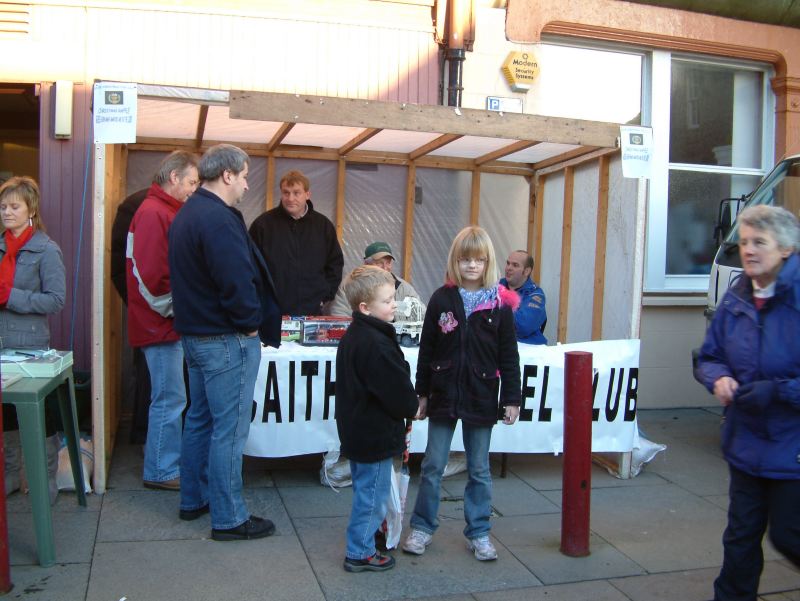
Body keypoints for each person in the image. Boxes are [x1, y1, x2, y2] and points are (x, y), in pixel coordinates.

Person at [168, 144, 281, 541]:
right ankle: (230, 517)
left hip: (198, 337)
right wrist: (250, 324)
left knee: (200, 420)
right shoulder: (217, 218)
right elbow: (235, 278)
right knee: (229, 430)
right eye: (246, 175)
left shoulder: (190, 213)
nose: (248, 184)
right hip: (224, 339)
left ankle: (193, 499)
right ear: (228, 175)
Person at [694, 205, 800, 601]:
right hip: (745, 443)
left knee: (789, 535)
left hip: (792, 447)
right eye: (744, 242)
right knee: (740, 539)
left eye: (760, 242)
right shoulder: (738, 293)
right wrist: (717, 377)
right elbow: (709, 355)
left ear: (787, 249)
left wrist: (778, 391)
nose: (748, 250)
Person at [403, 226, 521, 561]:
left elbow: (509, 356)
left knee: (479, 468)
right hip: (442, 395)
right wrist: (421, 393)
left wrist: (512, 398)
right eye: (465, 259)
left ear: (488, 263)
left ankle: (480, 532)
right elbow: (427, 350)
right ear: (456, 260)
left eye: (478, 260)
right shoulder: (441, 298)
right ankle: (422, 527)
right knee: (432, 465)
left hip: (482, 396)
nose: (471, 265)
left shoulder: (500, 306)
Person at [335, 265, 420, 573]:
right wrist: (412, 407)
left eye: (392, 298)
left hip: (360, 431)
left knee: (367, 490)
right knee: (373, 496)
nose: (394, 304)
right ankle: (360, 551)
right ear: (365, 307)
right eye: (387, 301)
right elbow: (395, 392)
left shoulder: (359, 335)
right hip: (373, 434)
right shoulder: (375, 343)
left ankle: (365, 542)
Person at [126, 151, 199, 491]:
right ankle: (161, 470)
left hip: (161, 322)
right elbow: (154, 278)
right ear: (174, 178)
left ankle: (162, 460)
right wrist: (182, 310)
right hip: (162, 324)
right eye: (191, 182)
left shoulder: (159, 210)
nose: (192, 190)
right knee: (170, 398)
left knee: (169, 397)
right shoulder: (155, 212)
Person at [0, 176, 66, 503]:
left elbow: (55, 300)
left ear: (31, 209)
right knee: (6, 414)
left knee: (41, 415)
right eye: (3, 206)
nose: (6, 212)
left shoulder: (46, 249)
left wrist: (11, 296)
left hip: (30, 347)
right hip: (1, 344)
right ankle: (12, 473)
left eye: (14, 206)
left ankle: (45, 479)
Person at [249, 169, 343, 315]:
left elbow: (335, 264)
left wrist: (326, 295)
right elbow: (250, 265)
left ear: (307, 194)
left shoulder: (323, 226)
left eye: (296, 192)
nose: (290, 198)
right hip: (272, 311)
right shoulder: (263, 225)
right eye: (286, 192)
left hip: (312, 310)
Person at [110, 188, 152, 445]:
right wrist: (143, 304)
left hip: (148, 310)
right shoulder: (144, 207)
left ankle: (143, 434)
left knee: (151, 379)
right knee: (156, 382)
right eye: (191, 181)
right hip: (154, 313)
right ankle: (145, 436)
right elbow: (122, 267)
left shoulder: (137, 204)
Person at [330, 241, 425, 319]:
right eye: (379, 263)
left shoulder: (403, 287)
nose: (385, 267)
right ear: (366, 263)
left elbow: (421, 313)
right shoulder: (350, 284)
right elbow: (339, 315)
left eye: (388, 263)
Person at [500, 250, 547, 344]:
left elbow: (523, 326)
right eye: (508, 263)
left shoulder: (536, 294)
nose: (508, 268)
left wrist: (496, 309)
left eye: (515, 265)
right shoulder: (495, 286)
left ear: (526, 271)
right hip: (500, 346)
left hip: (528, 349)